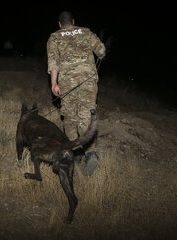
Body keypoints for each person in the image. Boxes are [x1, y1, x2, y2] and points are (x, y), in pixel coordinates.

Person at [47, 11, 106, 175]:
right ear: (73, 21)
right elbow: (101, 50)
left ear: (59, 24)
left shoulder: (54, 37)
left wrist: (54, 84)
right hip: (88, 80)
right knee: (86, 116)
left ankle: (76, 153)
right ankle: (91, 153)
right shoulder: (86, 31)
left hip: (67, 84)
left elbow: (53, 63)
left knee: (70, 119)